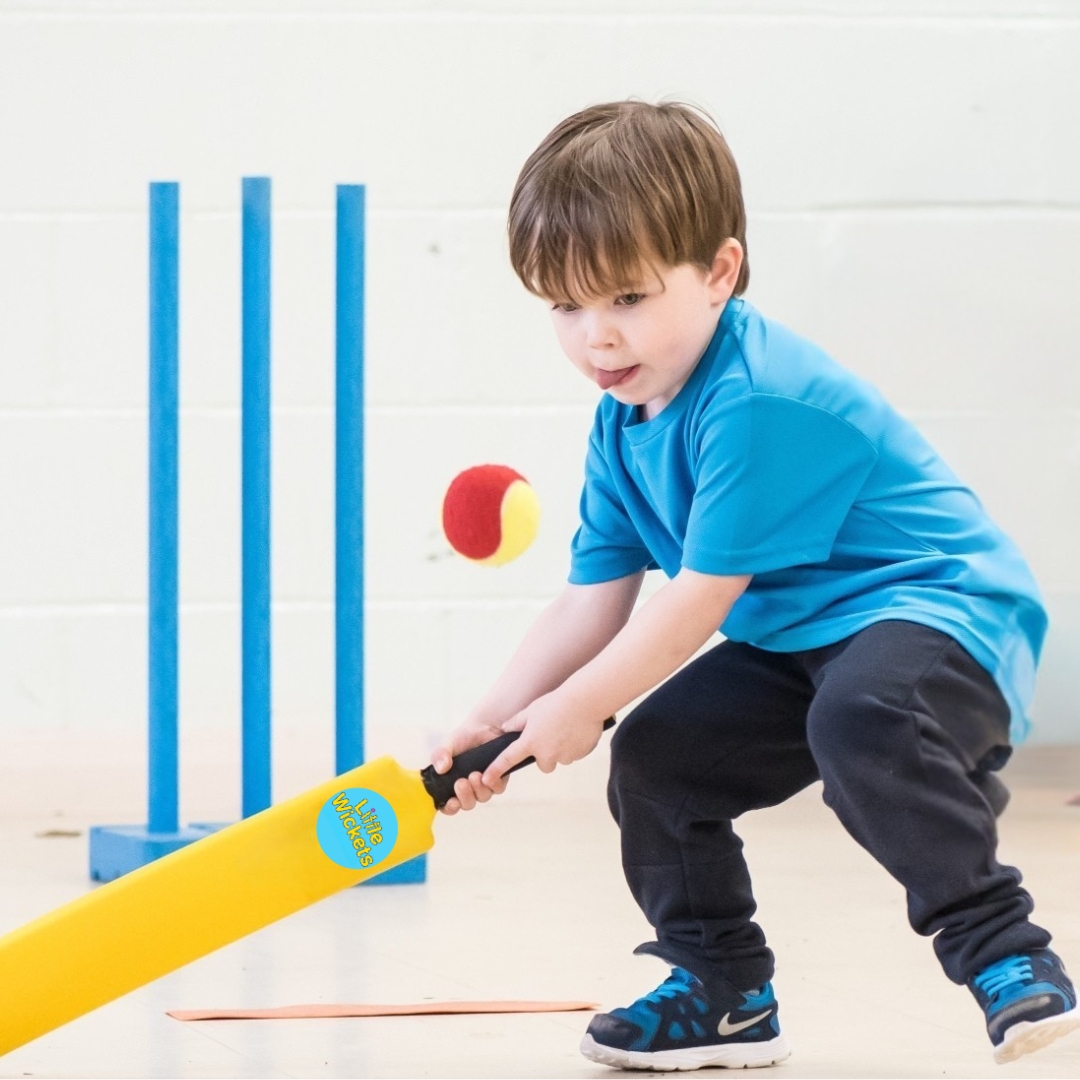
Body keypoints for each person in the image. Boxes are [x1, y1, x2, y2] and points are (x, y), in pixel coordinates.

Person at [430, 99, 1078, 1069]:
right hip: (801, 645)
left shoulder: (756, 397)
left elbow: (696, 602)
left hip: (942, 613)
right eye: (567, 306)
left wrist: (575, 708)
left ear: (719, 272)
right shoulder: (628, 417)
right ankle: (722, 987)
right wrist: (499, 715)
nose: (596, 338)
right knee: (658, 756)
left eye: (628, 299)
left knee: (863, 715)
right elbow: (591, 600)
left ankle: (1005, 953)